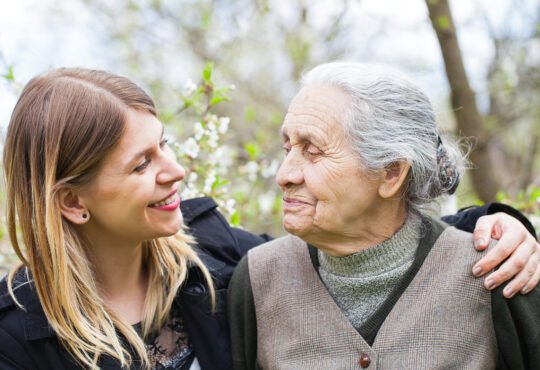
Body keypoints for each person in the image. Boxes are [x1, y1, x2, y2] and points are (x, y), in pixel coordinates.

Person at [0, 67, 536, 370]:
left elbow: (382, 243)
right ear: (73, 202)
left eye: (164, 146)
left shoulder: (215, 256)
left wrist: (498, 224)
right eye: (142, 164)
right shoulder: (18, 336)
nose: (177, 171)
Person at [228, 62, 540, 370]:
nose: (285, 175)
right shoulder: (258, 279)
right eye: (288, 149)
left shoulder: (498, 272)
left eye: (313, 151)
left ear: (391, 173)